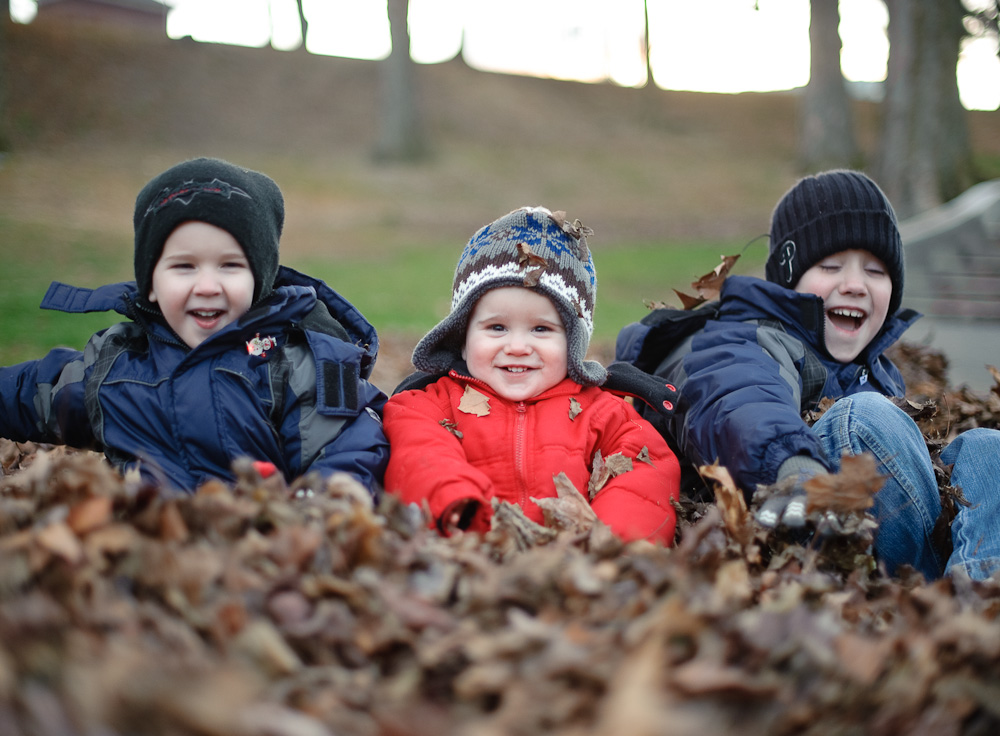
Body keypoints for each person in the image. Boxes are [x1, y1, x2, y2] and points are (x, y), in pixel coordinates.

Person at [618, 169, 1000, 582]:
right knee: (864, 419)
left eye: (876, 272)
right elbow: (742, 399)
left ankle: (979, 594)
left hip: (886, 533)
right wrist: (794, 467)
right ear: (790, 277)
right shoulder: (746, 337)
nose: (855, 285)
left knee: (986, 449)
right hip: (798, 513)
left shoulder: (873, 372)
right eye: (831, 265)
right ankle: (920, 594)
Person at [0, 157, 388, 494]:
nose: (207, 286)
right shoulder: (114, 367)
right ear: (150, 284)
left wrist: (324, 504)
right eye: (184, 266)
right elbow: (26, 393)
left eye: (230, 266)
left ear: (260, 280)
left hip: (260, 554)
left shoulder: (293, 363)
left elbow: (349, 446)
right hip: (146, 555)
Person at [382, 206, 680, 544]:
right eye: (497, 327)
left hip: (574, 569)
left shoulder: (604, 413)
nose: (518, 346)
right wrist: (460, 511)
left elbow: (645, 474)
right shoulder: (429, 407)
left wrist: (610, 546)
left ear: (573, 342)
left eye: (541, 329)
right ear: (462, 338)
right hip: (469, 552)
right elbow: (420, 456)